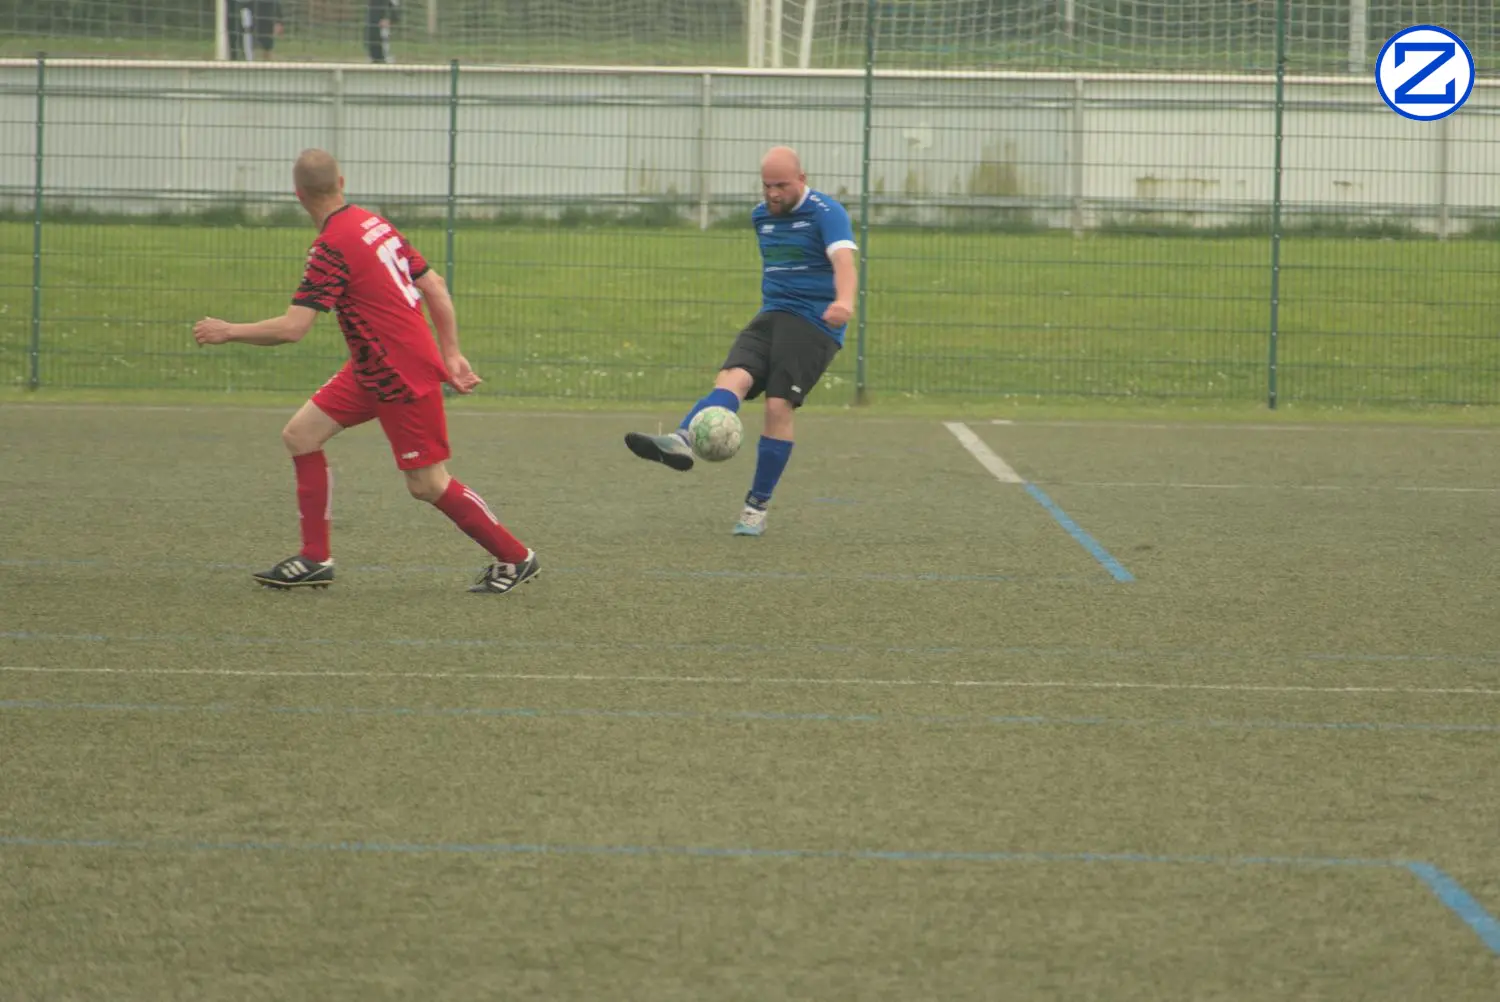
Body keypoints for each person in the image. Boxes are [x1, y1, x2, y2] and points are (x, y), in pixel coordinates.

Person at [192, 149, 540, 595]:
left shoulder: (329, 248)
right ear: (342, 181)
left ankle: (515, 557)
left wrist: (228, 331)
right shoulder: (374, 223)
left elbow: (294, 328)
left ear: (298, 195)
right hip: (371, 366)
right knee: (301, 435)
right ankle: (315, 558)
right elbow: (433, 284)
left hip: (400, 372)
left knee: (428, 484)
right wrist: (450, 352)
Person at [623, 146, 858, 537]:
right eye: (767, 186)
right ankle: (681, 439)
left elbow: (844, 262)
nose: (773, 194)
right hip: (772, 315)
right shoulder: (761, 216)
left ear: (801, 179)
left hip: (815, 324)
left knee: (778, 405)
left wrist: (844, 300)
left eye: (781, 185)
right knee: (731, 377)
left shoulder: (827, 212)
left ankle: (756, 506)